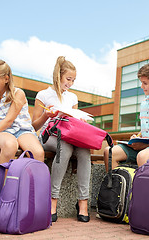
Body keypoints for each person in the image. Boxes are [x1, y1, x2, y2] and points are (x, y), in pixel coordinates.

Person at [32, 56, 91, 223]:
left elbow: (74, 123)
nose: (70, 83)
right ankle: (53, 200)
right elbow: (34, 126)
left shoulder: (72, 98)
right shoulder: (43, 95)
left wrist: (80, 120)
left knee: (84, 152)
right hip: (48, 137)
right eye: (68, 79)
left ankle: (83, 202)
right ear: (58, 76)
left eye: (73, 80)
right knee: (64, 147)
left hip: (69, 135)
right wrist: (46, 115)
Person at [103, 61, 149, 170]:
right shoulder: (144, 103)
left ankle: (143, 187)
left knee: (143, 156)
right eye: (141, 83)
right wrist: (137, 137)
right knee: (109, 152)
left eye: (145, 83)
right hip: (145, 146)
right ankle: (118, 185)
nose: (142, 87)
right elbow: (146, 129)